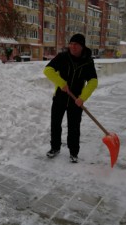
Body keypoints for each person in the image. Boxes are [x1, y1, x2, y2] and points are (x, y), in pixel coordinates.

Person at [43, 33, 98, 163]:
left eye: (76, 44)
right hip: (60, 98)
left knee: (74, 127)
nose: (73, 46)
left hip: (76, 100)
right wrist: (61, 83)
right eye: (71, 44)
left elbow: (93, 81)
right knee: (55, 124)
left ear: (82, 46)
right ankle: (55, 148)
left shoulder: (88, 62)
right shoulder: (62, 57)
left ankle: (73, 152)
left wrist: (82, 97)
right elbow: (48, 70)